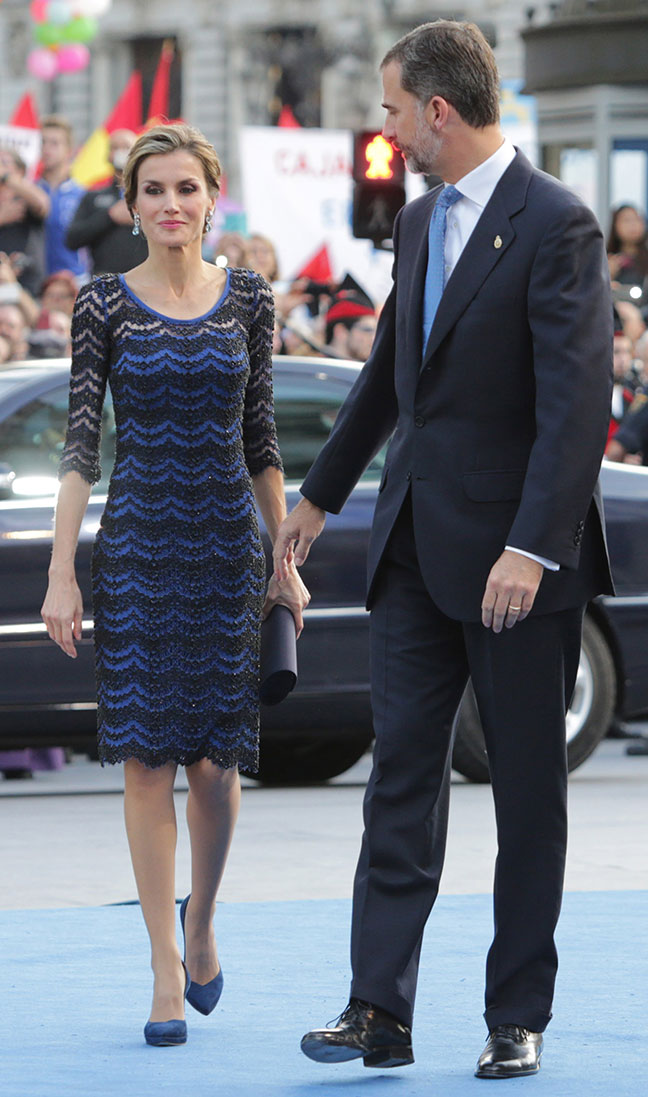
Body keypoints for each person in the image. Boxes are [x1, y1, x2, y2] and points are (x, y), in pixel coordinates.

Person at [273, 20, 613, 1081]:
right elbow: (386, 378)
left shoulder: (557, 223)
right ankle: (379, 1007)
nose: (382, 130)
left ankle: (516, 1013)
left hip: (516, 568)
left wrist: (532, 547)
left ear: (436, 109)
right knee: (399, 781)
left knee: (525, 792)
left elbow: (575, 410)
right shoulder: (419, 222)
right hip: (413, 547)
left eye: (387, 109)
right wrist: (318, 500)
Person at [41, 122, 308, 1047]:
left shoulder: (251, 300)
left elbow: (263, 442)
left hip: (228, 550)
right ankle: (162, 961)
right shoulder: (104, 303)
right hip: (142, 546)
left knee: (216, 766)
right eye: (151, 190)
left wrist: (284, 561)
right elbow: (81, 447)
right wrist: (62, 569)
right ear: (129, 203)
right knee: (146, 761)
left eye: (185, 189)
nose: (169, 205)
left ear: (211, 195)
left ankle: (202, 921)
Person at [66, 129, 149, 274]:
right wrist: (109, 216)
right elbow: (72, 239)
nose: (120, 152)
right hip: (105, 280)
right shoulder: (93, 196)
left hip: (145, 279)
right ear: (107, 155)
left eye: (126, 147)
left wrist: (140, 219)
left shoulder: (150, 194)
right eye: (115, 147)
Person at [37, 115, 89, 280]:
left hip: (74, 282)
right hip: (37, 283)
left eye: (54, 143)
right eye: (43, 142)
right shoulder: (30, 192)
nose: (46, 149)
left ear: (69, 150)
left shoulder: (82, 194)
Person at [0, 147, 49, 298]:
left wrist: (6, 177)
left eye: (4, 162)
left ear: (20, 170)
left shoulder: (26, 199)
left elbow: (42, 204)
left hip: (27, 285)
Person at [607, 204, 648, 314]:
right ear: (615, 225)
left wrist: (638, 316)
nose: (633, 225)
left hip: (645, 322)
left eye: (637, 220)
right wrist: (607, 276)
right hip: (613, 322)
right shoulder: (606, 259)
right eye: (626, 220)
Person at [324, 293, 378, 362]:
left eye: (376, 331)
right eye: (367, 330)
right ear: (341, 331)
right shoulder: (314, 368)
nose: (373, 338)